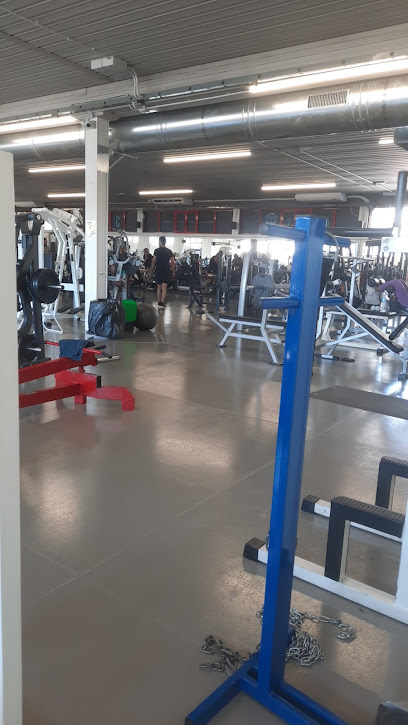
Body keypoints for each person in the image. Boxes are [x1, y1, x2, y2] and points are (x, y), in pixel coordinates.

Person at [150, 236, 175, 308]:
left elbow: (153, 261)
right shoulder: (169, 251)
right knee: (164, 287)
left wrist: (151, 271)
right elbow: (172, 262)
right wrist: (173, 272)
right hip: (166, 270)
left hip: (158, 270)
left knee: (159, 286)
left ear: (160, 242)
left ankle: (158, 301)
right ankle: (162, 302)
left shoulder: (156, 250)